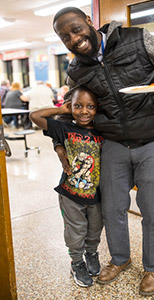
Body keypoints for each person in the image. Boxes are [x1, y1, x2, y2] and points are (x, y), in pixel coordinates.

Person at [52, 7, 154, 296]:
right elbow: (71, 106)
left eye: (76, 29)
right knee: (112, 208)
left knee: (153, 210)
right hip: (113, 143)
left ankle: (153, 268)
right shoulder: (77, 70)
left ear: (89, 22)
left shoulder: (136, 38)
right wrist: (60, 142)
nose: (74, 38)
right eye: (65, 37)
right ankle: (120, 259)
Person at [30, 86, 104, 288]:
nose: (84, 111)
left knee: (95, 229)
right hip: (70, 193)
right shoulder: (65, 129)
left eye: (90, 106)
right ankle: (77, 262)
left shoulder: (103, 131)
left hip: (96, 195)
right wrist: (63, 110)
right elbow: (35, 116)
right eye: (78, 106)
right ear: (71, 106)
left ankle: (91, 255)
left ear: (97, 108)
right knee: (75, 230)